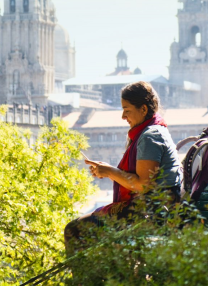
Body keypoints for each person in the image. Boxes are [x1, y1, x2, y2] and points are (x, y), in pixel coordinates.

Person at [64, 81, 181, 253]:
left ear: (143, 110)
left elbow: (143, 185)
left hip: (152, 211)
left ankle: (86, 280)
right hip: (155, 207)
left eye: (127, 110)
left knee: (74, 230)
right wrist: (107, 170)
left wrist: (110, 172)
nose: (123, 117)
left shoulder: (150, 136)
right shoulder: (151, 132)